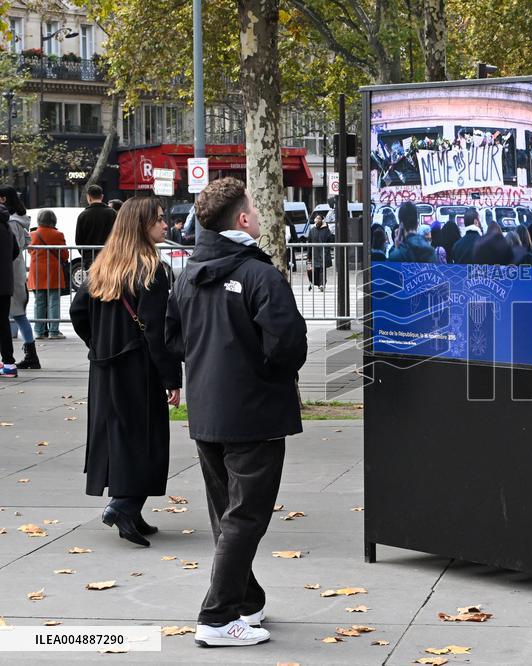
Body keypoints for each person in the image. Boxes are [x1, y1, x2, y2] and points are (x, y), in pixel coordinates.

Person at [165, 177, 307, 648]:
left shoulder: (188, 274)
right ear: (243, 220)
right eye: (256, 208)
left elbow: (172, 339)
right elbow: (288, 345)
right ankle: (217, 615)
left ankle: (245, 597)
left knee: (228, 513)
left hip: (208, 409)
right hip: (254, 412)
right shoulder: (259, 275)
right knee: (244, 517)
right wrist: (264, 372)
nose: (263, 215)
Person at [69, 197, 181, 548]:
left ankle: (130, 508)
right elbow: (155, 329)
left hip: (105, 367)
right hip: (139, 367)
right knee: (144, 439)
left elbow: (78, 312)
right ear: (141, 226)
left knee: (117, 436)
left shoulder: (102, 266)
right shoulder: (152, 270)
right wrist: (171, 378)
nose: (166, 225)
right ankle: (123, 505)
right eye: (159, 220)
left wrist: (98, 344)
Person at [1, 187, 39, 369]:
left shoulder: (12, 222)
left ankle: (29, 354)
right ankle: (30, 353)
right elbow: (25, 242)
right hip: (15, 273)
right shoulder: (18, 221)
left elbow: (12, 249)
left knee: (17, 315)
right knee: (17, 315)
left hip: (11, 272)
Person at [27, 210, 68, 340]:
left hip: (37, 272)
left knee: (39, 302)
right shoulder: (58, 234)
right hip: (53, 272)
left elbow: (29, 252)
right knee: (54, 302)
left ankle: (38, 332)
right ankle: (53, 332)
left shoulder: (32, 235)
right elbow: (65, 255)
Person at [76, 184, 117, 271]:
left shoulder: (83, 215)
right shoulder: (112, 213)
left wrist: (85, 254)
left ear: (88, 197)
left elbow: (79, 239)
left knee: (93, 282)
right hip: (109, 255)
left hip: (90, 257)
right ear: (102, 196)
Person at [0, 205, 16, 378]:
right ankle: (9, 363)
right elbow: (16, 251)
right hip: (5, 283)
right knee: (3, 323)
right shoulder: (7, 226)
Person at [305, 213, 334, 292]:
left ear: (322, 220)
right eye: (316, 218)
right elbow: (309, 243)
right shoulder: (312, 230)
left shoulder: (326, 230)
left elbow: (330, 240)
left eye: (319, 219)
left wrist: (326, 251)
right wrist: (308, 255)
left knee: (322, 269)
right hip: (315, 254)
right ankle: (316, 284)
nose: (317, 220)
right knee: (315, 270)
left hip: (323, 253)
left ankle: (322, 284)